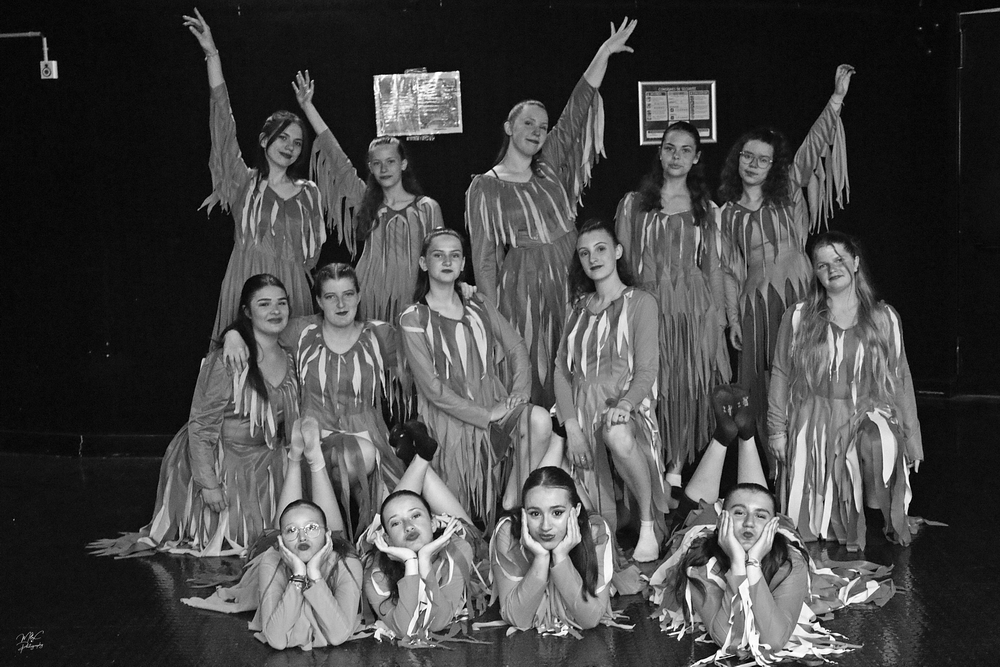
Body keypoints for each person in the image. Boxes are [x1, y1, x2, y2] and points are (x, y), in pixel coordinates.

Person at [647, 385, 894, 665]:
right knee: (699, 515)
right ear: (723, 517)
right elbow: (727, 638)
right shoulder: (699, 562)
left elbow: (775, 640)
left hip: (769, 535)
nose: (749, 523)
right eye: (738, 514)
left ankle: (732, 436)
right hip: (708, 533)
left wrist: (751, 563)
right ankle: (740, 436)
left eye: (760, 517)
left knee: (745, 501)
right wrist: (739, 564)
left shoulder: (791, 562)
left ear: (773, 525)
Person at [466, 18, 638, 407]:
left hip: (570, 272)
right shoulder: (485, 187)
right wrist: (496, 329)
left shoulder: (549, 166)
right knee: (537, 369)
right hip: (523, 284)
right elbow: (485, 262)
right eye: (528, 123)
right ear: (508, 127)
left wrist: (603, 53)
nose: (537, 131)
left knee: (582, 363)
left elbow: (577, 110)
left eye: (542, 126)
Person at [89, 274, 299, 558]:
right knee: (239, 539)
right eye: (264, 304)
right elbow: (201, 425)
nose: (275, 310)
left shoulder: (291, 356)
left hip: (267, 462)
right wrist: (209, 484)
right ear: (247, 312)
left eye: (281, 303)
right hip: (225, 462)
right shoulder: (228, 359)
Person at [717, 65, 856, 461]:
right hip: (756, 305)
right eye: (747, 156)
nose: (752, 164)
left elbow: (813, 147)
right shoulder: (725, 214)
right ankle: (774, 464)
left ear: (774, 165)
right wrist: (732, 319)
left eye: (762, 159)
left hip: (798, 292)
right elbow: (729, 271)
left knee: (807, 369)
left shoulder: (789, 190)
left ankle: (814, 454)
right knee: (763, 382)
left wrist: (836, 100)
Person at [224, 263, 405, 538]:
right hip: (314, 436)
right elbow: (259, 328)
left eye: (348, 294)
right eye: (331, 296)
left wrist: (465, 294)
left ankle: (372, 540)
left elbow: (423, 357)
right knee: (358, 458)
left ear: (358, 296)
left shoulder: (380, 334)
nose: (341, 304)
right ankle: (340, 538)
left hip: (369, 433)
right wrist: (233, 334)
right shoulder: (302, 330)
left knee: (393, 498)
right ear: (319, 301)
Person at [768, 231, 923, 551]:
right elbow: (781, 372)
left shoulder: (883, 318)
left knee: (879, 440)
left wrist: (912, 439)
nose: (832, 269)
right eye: (822, 264)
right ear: (815, 272)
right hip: (814, 420)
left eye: (839, 260)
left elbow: (900, 378)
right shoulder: (798, 317)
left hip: (865, 412)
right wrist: (776, 431)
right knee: (814, 534)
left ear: (855, 263)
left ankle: (876, 505)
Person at [184, 10, 328, 341]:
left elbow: (313, 255)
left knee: (290, 363)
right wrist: (212, 55)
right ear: (264, 141)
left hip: (292, 291)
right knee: (244, 360)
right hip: (245, 282)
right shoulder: (244, 182)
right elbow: (223, 123)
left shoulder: (309, 192)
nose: (290, 147)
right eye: (282, 138)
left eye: (297, 143)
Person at [400, 229, 552, 527]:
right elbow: (432, 389)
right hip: (450, 421)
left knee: (540, 420)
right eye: (438, 255)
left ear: (462, 264)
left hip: (494, 406)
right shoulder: (413, 317)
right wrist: (485, 414)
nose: (447, 261)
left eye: (454, 255)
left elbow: (516, 347)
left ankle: (512, 503)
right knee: (462, 524)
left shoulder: (478, 302)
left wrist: (519, 393)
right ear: (423, 263)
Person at [181, 417, 363, 650]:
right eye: (292, 532)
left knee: (333, 536)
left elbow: (338, 636)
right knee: (297, 522)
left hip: (329, 549)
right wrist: (299, 575)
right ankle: (295, 459)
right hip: (274, 548)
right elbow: (276, 639)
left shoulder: (348, 562)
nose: (302, 537)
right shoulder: (271, 559)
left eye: (310, 530)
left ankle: (310, 460)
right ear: (281, 540)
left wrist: (315, 574)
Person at [615, 121, 730, 485]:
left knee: (686, 386)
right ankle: (648, 466)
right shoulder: (634, 204)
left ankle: (676, 472)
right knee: (650, 381)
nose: (676, 156)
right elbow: (624, 263)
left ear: (696, 158)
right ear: (660, 152)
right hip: (649, 304)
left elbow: (713, 267)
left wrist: (720, 320)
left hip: (693, 309)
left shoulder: (707, 209)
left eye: (685, 150)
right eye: (669, 148)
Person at [554, 218, 669, 561]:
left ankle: (647, 524)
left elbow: (647, 368)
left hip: (625, 407)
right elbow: (561, 370)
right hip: (581, 412)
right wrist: (571, 426)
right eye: (584, 253)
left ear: (617, 251)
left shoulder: (641, 302)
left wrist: (626, 405)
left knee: (617, 434)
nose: (593, 258)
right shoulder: (577, 308)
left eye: (601, 249)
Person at [293, 70, 443, 324]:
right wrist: (308, 107)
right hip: (369, 295)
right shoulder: (365, 200)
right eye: (377, 163)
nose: (384, 169)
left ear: (403, 164)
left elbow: (441, 256)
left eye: (390, 161)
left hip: (413, 298)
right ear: (371, 168)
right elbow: (336, 157)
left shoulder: (427, 207)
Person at [360, 422, 488, 645]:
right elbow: (405, 629)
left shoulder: (458, 548)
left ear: (434, 522)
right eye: (396, 524)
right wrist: (413, 562)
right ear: (387, 538)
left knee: (405, 506)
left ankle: (419, 457)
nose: (408, 526)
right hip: (418, 538)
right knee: (404, 506)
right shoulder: (375, 571)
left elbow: (439, 621)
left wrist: (425, 562)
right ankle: (420, 457)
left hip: (460, 543)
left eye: (415, 517)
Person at [490, 466, 627, 636]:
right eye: (535, 514)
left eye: (557, 513)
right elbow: (517, 618)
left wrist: (561, 557)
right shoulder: (508, 533)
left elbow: (590, 619)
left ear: (576, 511)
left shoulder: (596, 532)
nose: (545, 526)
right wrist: (541, 559)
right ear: (523, 513)